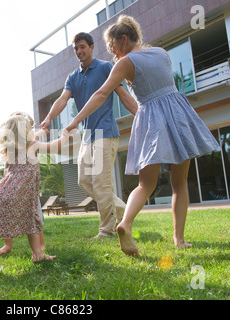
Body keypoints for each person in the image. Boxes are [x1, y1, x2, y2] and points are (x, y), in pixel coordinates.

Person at [64, 16, 219, 256]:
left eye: (113, 47)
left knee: (145, 184)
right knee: (179, 183)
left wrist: (75, 120)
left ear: (123, 39)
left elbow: (101, 94)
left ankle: (125, 223)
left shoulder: (125, 63)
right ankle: (179, 240)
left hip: (149, 119)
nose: (112, 52)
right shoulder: (162, 53)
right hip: (177, 114)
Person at [40, 32, 138, 239]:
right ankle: (124, 212)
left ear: (92, 47)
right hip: (86, 136)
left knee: (101, 181)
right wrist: (48, 118)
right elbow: (62, 99)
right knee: (84, 180)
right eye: (76, 49)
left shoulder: (105, 68)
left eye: (82, 47)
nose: (79, 51)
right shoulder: (73, 77)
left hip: (105, 132)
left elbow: (122, 94)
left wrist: (140, 114)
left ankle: (107, 230)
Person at [0, 112, 74, 271]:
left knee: (30, 220)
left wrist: (40, 133)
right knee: (8, 227)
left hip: (9, 193)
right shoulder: (31, 145)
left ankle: (38, 254)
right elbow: (56, 147)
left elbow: (34, 139)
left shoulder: (11, 149)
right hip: (18, 194)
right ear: (24, 132)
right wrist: (65, 136)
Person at [0, 112, 47, 256]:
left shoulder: (27, 144)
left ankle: (40, 244)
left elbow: (33, 137)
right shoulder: (12, 148)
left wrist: (42, 131)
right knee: (9, 217)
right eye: (29, 128)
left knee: (36, 217)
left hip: (29, 191)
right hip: (13, 190)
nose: (32, 131)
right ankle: (8, 244)